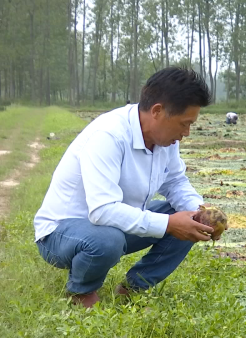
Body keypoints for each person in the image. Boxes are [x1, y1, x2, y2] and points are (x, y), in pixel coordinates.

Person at [33, 67, 225, 308]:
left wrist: (203, 215)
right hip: (61, 233)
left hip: (111, 227)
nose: (186, 133)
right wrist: (169, 224)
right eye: (184, 124)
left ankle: (133, 288)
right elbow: (102, 211)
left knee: (189, 218)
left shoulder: (165, 140)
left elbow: (175, 182)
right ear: (158, 111)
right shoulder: (109, 135)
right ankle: (81, 292)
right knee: (108, 239)